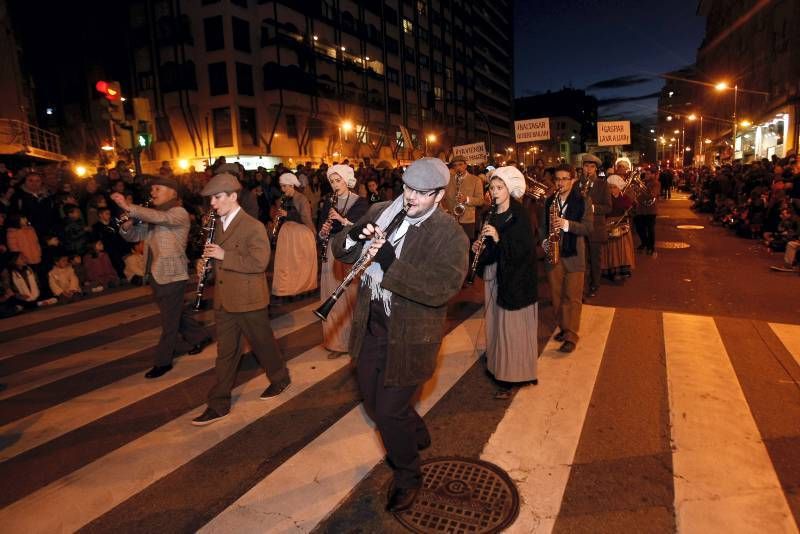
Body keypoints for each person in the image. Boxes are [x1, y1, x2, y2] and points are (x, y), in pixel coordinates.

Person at [331, 157, 468, 513]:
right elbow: (341, 250)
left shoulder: (450, 233)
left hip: (411, 335)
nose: (410, 197)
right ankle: (414, 428)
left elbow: (442, 288)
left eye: (421, 193)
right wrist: (353, 237)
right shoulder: (381, 210)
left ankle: (408, 475)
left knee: (388, 413)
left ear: (438, 195)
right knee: (375, 405)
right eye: (407, 188)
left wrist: (391, 262)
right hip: (373, 326)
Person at [191, 173, 291, 426]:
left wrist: (224, 255)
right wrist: (205, 268)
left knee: (263, 344)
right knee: (226, 352)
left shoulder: (252, 226)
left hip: (249, 300)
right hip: (224, 300)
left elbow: (259, 263)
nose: (212, 203)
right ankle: (219, 403)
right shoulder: (215, 226)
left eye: (217, 197)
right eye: (211, 198)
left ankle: (280, 378)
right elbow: (217, 264)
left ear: (233, 196)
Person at [112, 177, 211, 379]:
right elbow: (133, 237)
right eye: (152, 189)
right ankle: (200, 337)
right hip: (156, 274)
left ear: (173, 193)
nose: (153, 192)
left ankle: (162, 361)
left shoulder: (178, 213)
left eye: (158, 188)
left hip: (172, 275)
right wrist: (126, 225)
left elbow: (160, 219)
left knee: (169, 321)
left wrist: (128, 206)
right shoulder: (153, 215)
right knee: (174, 313)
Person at [472, 166, 538, 399]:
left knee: (511, 329)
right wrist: (479, 248)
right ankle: (499, 365)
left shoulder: (519, 214)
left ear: (509, 189)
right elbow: (491, 249)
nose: (495, 191)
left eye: (500, 187)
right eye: (492, 187)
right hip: (495, 275)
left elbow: (524, 250)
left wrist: (499, 239)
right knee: (496, 325)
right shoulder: (489, 213)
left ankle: (512, 377)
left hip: (516, 281)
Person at [317, 164, 369, 358]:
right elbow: (321, 232)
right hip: (331, 253)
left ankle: (358, 340)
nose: (335, 185)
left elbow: (363, 228)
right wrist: (322, 233)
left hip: (351, 252)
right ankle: (338, 343)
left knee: (352, 297)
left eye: (338, 180)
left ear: (347, 180)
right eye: (332, 181)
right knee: (333, 298)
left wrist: (342, 219)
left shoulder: (360, 202)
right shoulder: (328, 203)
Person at [541, 164, 593, 353]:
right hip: (554, 254)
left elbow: (588, 228)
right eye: (558, 179)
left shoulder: (583, 200)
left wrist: (566, 224)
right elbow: (542, 227)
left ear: (573, 180)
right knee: (556, 296)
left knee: (572, 296)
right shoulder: (549, 202)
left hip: (574, 255)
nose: (561, 182)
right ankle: (564, 327)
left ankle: (571, 334)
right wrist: (544, 242)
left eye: (565, 178)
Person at [271, 172, 318, 299]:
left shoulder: (301, 199)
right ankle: (287, 288)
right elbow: (279, 216)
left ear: (291, 185)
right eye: (281, 186)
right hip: (286, 235)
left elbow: (305, 218)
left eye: (284, 186)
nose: (282, 189)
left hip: (300, 235)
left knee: (299, 263)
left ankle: (302, 287)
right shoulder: (283, 199)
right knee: (286, 263)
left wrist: (288, 214)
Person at [580, 154, 612, 298]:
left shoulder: (602, 184)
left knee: (594, 259)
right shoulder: (576, 184)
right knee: (580, 259)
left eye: (592, 167)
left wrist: (591, 208)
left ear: (595, 169)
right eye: (586, 166)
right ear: (582, 167)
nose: (588, 169)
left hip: (595, 228)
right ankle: (581, 285)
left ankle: (595, 284)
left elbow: (608, 208)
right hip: (580, 227)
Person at [600, 175, 635, 281]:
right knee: (610, 249)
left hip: (622, 226)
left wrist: (629, 212)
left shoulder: (625, 198)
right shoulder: (605, 199)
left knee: (623, 249)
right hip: (609, 225)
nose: (612, 190)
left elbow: (632, 211)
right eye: (610, 187)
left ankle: (623, 270)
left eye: (614, 187)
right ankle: (610, 271)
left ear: (619, 187)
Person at [443, 155, 484, 239]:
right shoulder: (447, 180)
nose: (458, 167)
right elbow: (442, 198)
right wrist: (446, 211)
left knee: (467, 247)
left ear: (466, 165)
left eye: (460, 164)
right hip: (451, 220)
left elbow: (481, 201)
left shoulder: (476, 180)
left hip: (468, 221)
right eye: (455, 165)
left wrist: (467, 199)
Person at [633, 168, 660, 255]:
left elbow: (652, 195)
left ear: (653, 174)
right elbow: (637, 195)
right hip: (640, 209)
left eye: (648, 174)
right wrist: (636, 190)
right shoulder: (642, 182)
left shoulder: (656, 183)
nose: (646, 175)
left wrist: (641, 190)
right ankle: (644, 242)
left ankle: (651, 247)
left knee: (650, 229)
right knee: (639, 227)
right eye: (646, 174)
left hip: (651, 210)